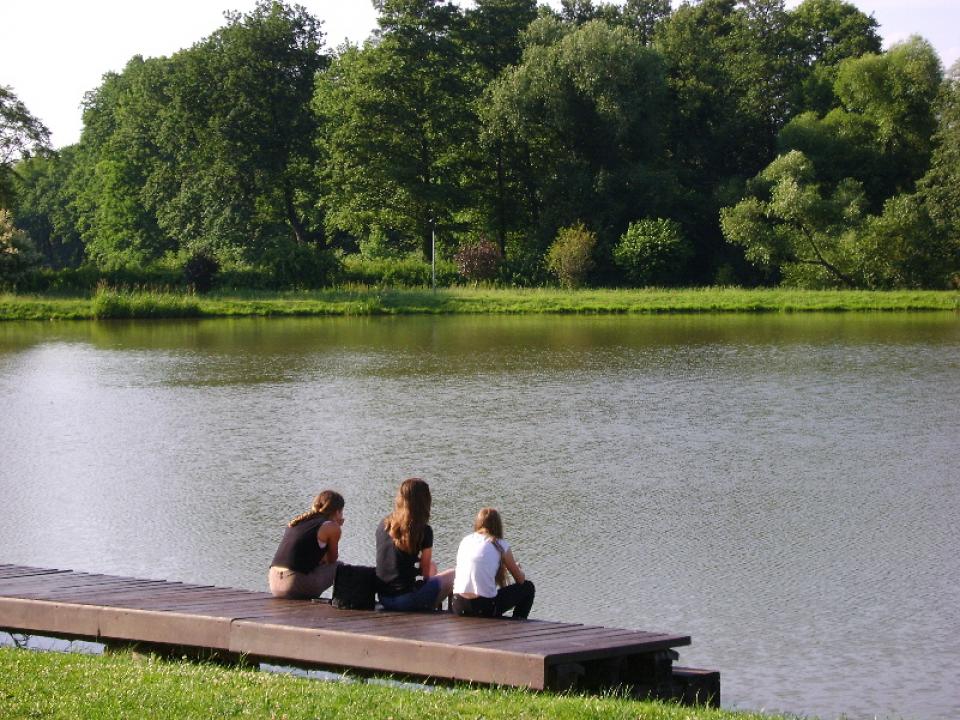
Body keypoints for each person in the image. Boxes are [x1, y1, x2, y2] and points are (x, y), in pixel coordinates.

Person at [375, 477, 454, 611]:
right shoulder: (424, 530)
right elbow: (425, 573)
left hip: (384, 598)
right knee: (454, 574)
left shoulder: (384, 524)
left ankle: (428, 605)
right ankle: (450, 612)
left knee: (433, 566)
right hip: (406, 601)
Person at [452, 507, 535, 619]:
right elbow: (520, 580)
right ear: (498, 526)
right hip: (484, 608)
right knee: (528, 587)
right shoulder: (500, 544)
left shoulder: (465, 540)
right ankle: (518, 622)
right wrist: (518, 568)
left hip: (458, 605)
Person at [269, 490, 345, 599]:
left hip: (274, 584)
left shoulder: (298, 521)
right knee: (340, 567)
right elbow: (332, 559)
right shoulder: (331, 527)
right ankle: (341, 602)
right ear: (337, 512)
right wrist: (337, 525)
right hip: (294, 585)